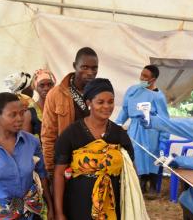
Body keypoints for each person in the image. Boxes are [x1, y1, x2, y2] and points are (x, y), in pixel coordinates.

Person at [54, 78, 148, 220]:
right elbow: (59, 174)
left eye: (110, 102)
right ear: (88, 103)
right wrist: (59, 213)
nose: (107, 106)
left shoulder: (120, 135)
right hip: (78, 204)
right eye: (100, 102)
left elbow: (131, 172)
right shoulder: (72, 133)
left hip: (112, 204)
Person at [41, 47, 99, 176]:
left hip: (95, 163)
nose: (90, 72)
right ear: (75, 66)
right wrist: (51, 169)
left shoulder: (100, 93)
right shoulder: (55, 94)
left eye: (94, 68)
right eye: (84, 67)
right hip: (66, 164)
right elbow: (48, 135)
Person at [115, 64, 170, 196]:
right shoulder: (133, 91)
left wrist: (164, 139)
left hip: (151, 130)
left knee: (152, 155)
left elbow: (164, 119)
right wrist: (118, 123)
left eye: (145, 76)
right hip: (135, 129)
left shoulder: (158, 97)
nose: (142, 78)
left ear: (153, 79)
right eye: (142, 74)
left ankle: (153, 185)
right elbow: (126, 109)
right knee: (137, 154)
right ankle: (142, 181)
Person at [0, 92, 54, 219]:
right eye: (13, 115)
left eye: (22, 113)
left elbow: (42, 176)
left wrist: (50, 208)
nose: (20, 118)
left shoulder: (31, 142)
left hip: (32, 212)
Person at [22, 69, 56, 139]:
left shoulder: (61, 106)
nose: (46, 88)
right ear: (35, 88)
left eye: (50, 84)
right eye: (42, 85)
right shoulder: (29, 113)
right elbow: (27, 142)